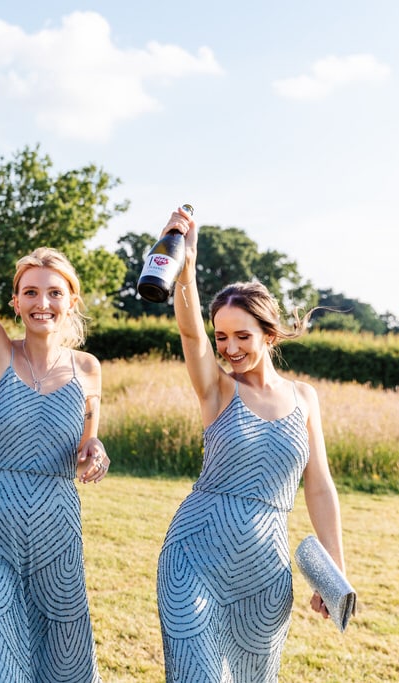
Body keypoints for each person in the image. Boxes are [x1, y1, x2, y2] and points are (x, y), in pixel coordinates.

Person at [0, 140, 109, 681]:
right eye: (30, 293)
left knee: (62, 662)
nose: (42, 304)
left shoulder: (88, 369)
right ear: (15, 302)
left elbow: (88, 444)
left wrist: (94, 452)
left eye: (54, 293)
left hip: (58, 529)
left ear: (71, 301)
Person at [154, 207, 346, 682]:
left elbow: (319, 485)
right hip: (193, 559)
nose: (230, 348)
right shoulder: (218, 389)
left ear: (270, 333)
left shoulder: (305, 398)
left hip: (265, 571)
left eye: (243, 335)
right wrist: (186, 261)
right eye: (222, 337)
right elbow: (188, 330)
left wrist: (334, 572)